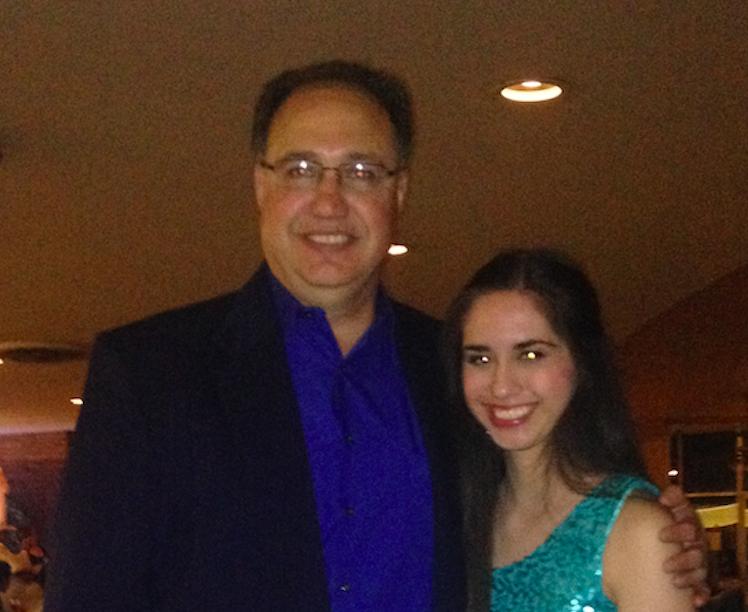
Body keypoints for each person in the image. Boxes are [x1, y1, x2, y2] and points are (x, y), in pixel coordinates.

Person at [45, 61, 707, 612]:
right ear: (259, 185)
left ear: (399, 193)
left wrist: (650, 538)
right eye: (300, 169)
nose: (329, 201)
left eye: (362, 172)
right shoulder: (149, 375)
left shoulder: (456, 368)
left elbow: (542, 509)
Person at [443, 248, 698, 612]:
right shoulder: (459, 514)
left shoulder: (636, 532)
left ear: (582, 362)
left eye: (530, 355)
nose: (500, 386)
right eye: (480, 359)